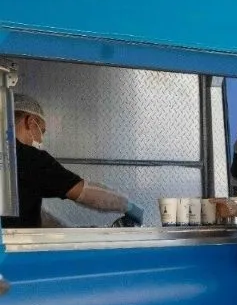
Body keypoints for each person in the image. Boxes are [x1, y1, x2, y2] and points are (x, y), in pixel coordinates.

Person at [7, 94, 145, 229]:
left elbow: (33, 213)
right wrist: (128, 206)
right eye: (41, 131)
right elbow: (85, 193)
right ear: (30, 122)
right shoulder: (29, 157)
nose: (41, 139)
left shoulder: (7, 157)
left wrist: (70, 231)